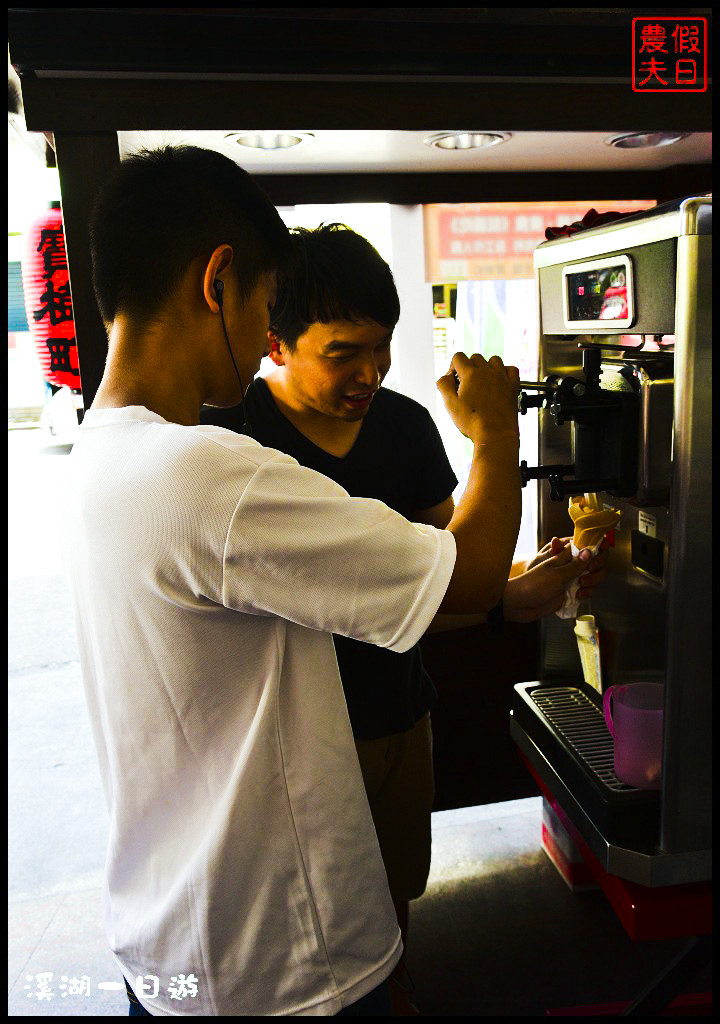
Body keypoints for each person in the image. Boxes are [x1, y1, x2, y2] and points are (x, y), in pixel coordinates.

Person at [61, 144, 599, 1017]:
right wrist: (496, 433)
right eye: (270, 304)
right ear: (219, 282)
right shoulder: (208, 474)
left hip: (174, 938)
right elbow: (458, 579)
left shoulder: (104, 452)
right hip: (278, 960)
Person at [201, 224, 608, 1013]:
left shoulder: (405, 427)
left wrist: (510, 600)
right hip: (294, 743)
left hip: (398, 715)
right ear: (276, 343)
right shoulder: (238, 443)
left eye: (381, 347)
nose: (371, 371)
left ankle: (393, 985)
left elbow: (444, 586)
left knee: (389, 899)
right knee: (308, 919)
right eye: (344, 351)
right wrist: (496, 438)